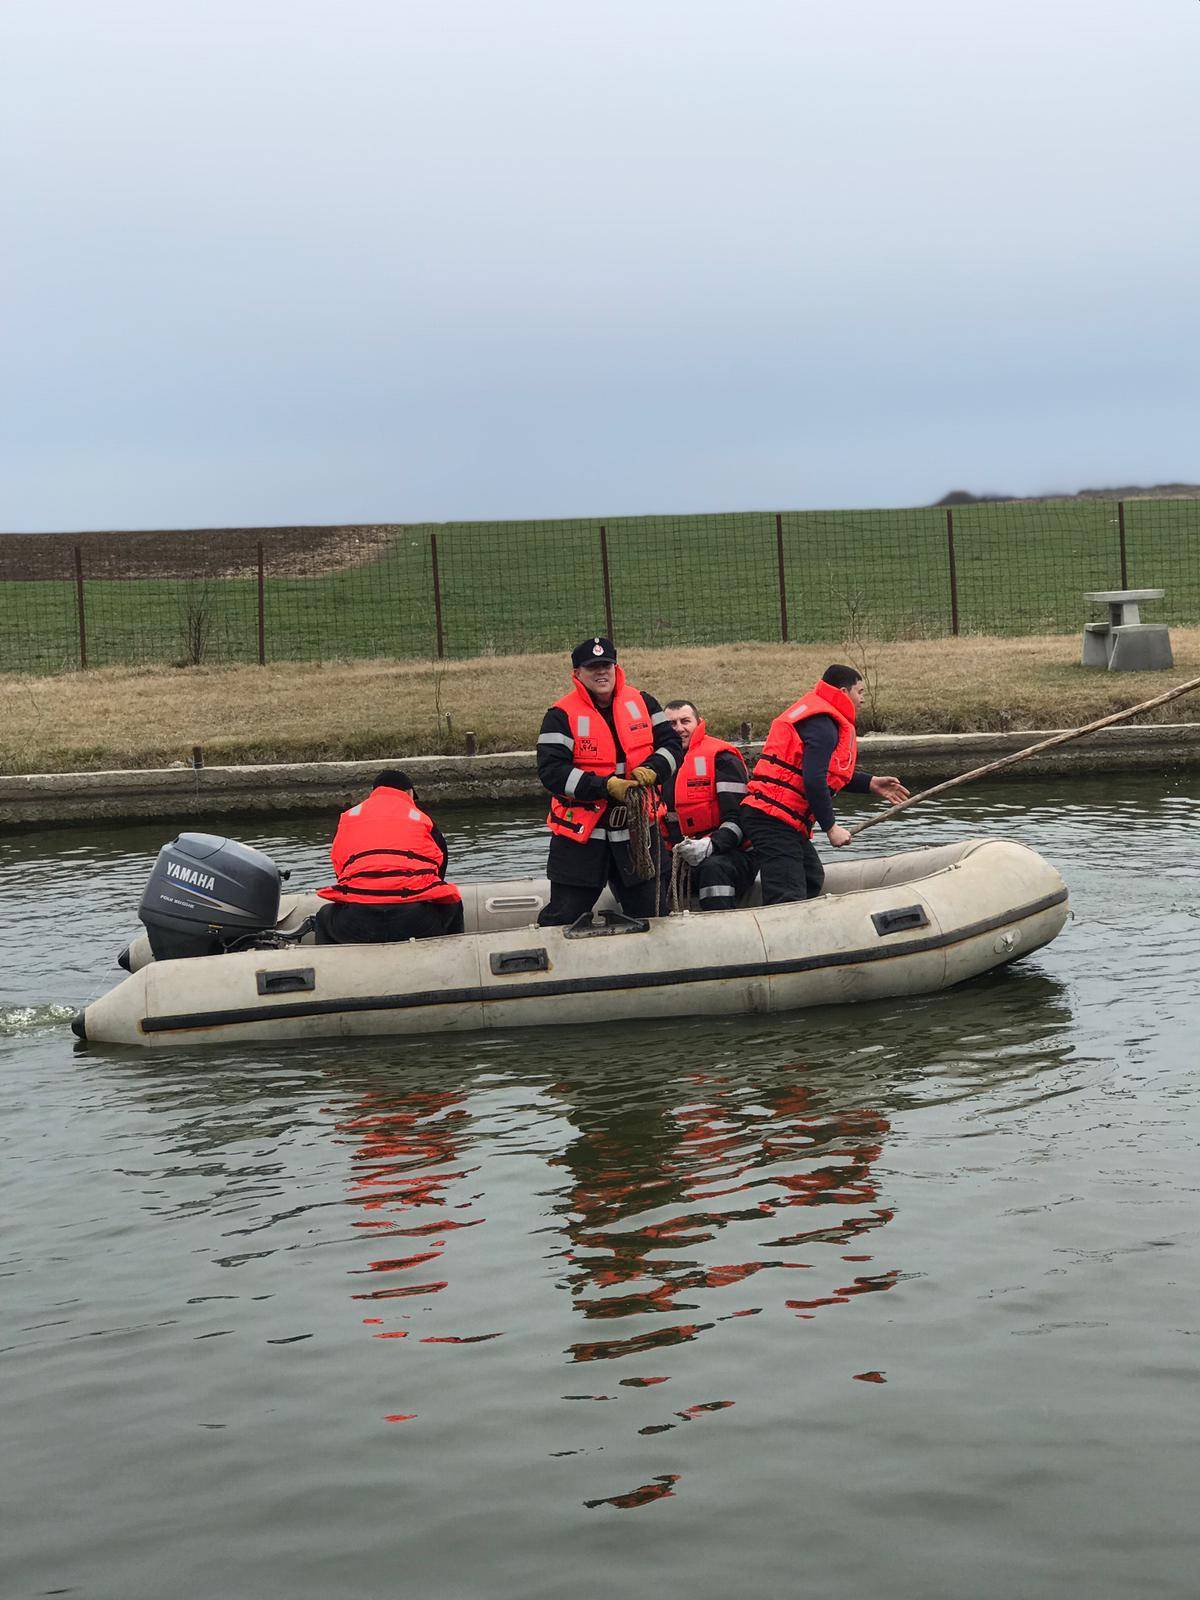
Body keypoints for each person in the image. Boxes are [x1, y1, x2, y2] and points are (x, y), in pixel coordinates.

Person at [536, 636, 683, 926]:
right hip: (581, 839)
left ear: (616, 667)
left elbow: (671, 746)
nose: (602, 673)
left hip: (638, 834)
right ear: (577, 674)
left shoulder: (643, 702)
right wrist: (604, 786)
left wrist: (653, 769)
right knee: (565, 915)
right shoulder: (560, 715)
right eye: (593, 668)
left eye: (607, 665)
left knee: (653, 915)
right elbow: (552, 771)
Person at [739, 665, 908, 904]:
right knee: (787, 895)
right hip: (771, 818)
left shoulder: (822, 718)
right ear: (843, 691)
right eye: (860, 692)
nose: (861, 700)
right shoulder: (823, 724)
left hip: (780, 817)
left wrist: (870, 783)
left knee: (811, 877)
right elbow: (813, 779)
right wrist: (831, 827)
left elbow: (824, 772)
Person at [315, 769, 464, 942]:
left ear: (373, 792)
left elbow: (341, 873)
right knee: (452, 902)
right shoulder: (423, 821)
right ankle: (452, 957)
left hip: (357, 921)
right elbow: (438, 873)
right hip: (415, 920)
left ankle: (332, 965)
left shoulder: (348, 819)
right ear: (409, 792)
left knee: (323, 916)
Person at [661, 699, 757, 910]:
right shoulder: (659, 764)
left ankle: (720, 931)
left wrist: (710, 845)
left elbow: (739, 817)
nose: (679, 729)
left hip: (730, 854)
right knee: (648, 874)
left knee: (714, 868)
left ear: (698, 722)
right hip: (678, 855)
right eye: (672, 724)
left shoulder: (721, 758)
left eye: (685, 721)